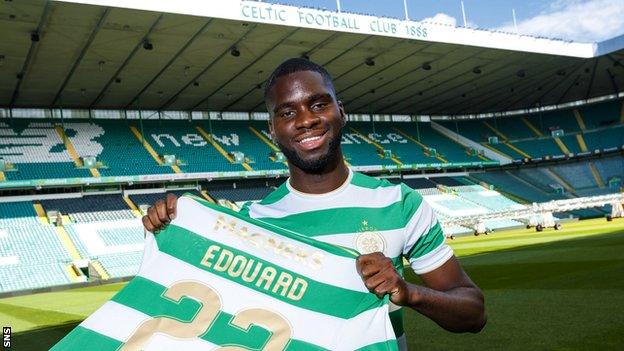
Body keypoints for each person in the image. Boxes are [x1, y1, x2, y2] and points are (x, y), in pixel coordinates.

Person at [142, 58, 486, 349]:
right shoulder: (254, 223)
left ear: (342, 112)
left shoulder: (400, 204)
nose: (306, 119)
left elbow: (474, 315)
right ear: (273, 130)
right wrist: (173, 228)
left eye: (319, 104)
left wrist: (408, 292)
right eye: (287, 112)